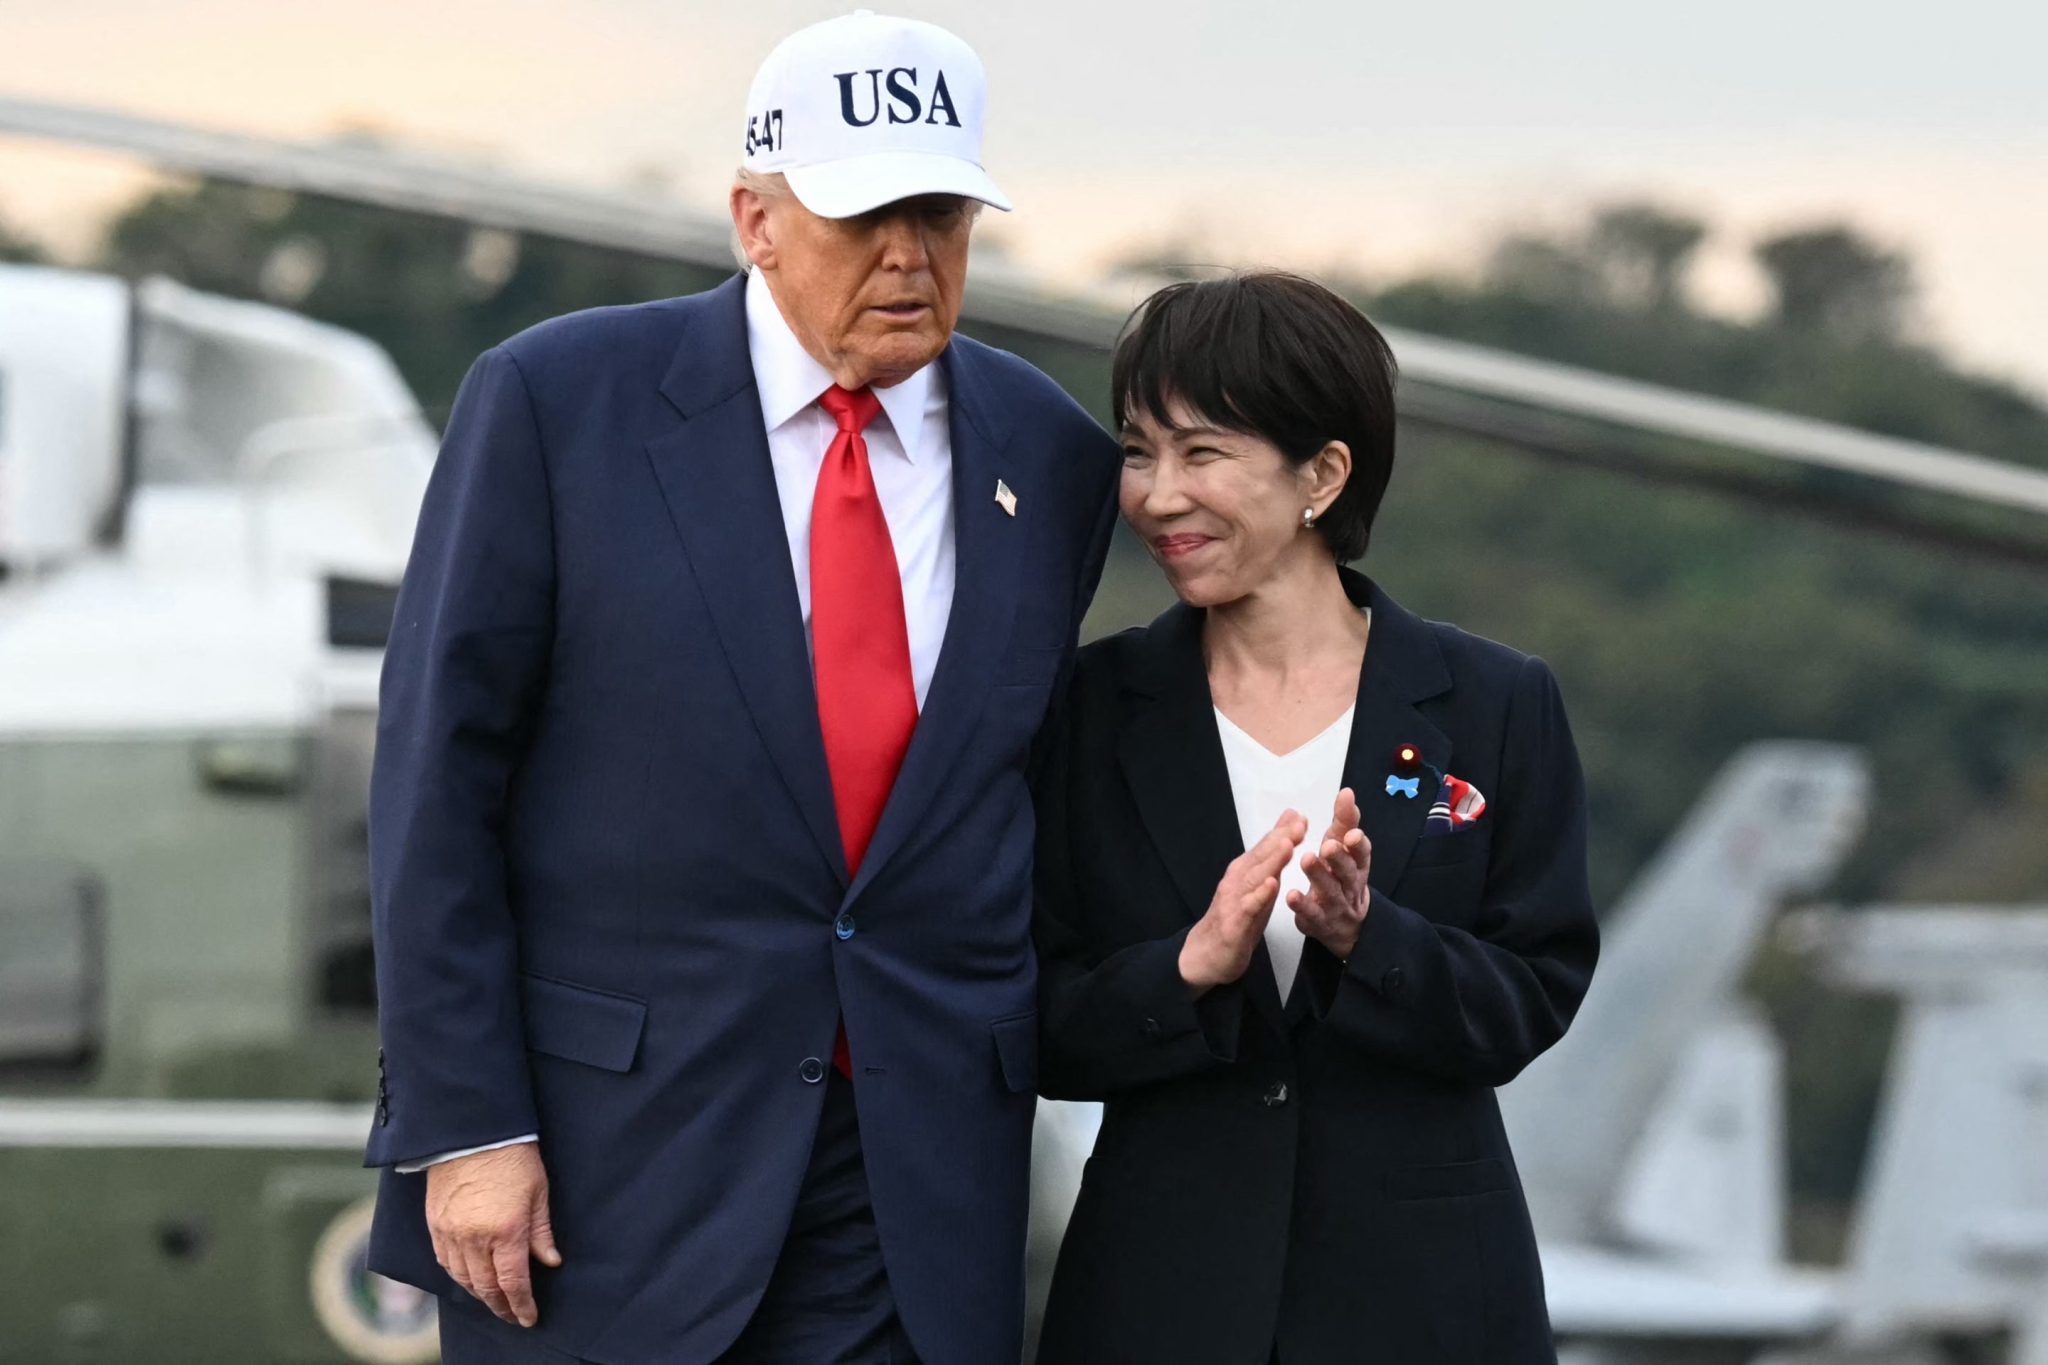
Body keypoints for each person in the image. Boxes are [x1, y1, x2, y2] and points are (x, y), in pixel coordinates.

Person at [362, 12, 1120, 1363]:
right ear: (754, 221)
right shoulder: (555, 404)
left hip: (916, 1182)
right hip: (606, 1177)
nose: (908, 254)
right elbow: (435, 783)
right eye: (863, 215)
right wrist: (466, 1125)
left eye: (941, 215)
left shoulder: (1049, 455)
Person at [1031, 272, 1599, 1365]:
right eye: (1139, 452)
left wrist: (1369, 937)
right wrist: (1184, 969)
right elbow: (1031, 1019)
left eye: (1200, 453)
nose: (1156, 494)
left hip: (1425, 1308)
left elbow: (1533, 996)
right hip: (1157, 1299)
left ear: (1323, 475)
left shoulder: (1492, 704)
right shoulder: (1087, 710)